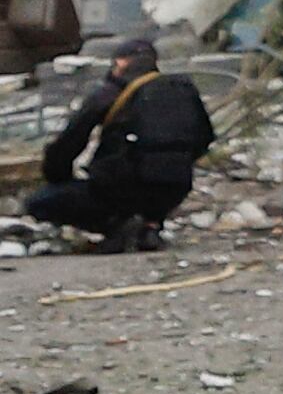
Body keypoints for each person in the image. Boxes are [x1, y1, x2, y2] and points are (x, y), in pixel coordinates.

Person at [27, 34, 216, 254]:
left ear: (120, 63)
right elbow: (205, 137)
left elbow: (68, 145)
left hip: (119, 189)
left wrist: (58, 179)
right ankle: (150, 226)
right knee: (153, 182)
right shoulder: (182, 90)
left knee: (39, 202)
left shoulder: (109, 94)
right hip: (175, 187)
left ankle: (117, 225)